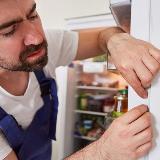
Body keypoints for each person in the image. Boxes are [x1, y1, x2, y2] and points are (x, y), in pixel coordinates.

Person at [0, 0, 159, 160]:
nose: (37, 38)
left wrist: (117, 41)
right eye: (9, 31)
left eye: (33, 15)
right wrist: (103, 151)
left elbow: (101, 36)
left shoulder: (45, 47)